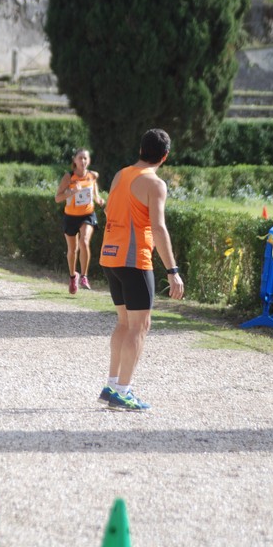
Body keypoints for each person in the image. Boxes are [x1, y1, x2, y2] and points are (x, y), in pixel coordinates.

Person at [98, 128, 184, 412]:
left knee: (124, 323)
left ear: (140, 150)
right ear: (165, 156)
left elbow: (111, 212)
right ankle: (122, 391)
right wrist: (172, 270)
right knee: (140, 326)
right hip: (134, 260)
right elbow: (158, 227)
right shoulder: (155, 184)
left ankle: (111, 386)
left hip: (110, 256)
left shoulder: (120, 175)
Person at [55, 148, 105, 294]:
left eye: (85, 158)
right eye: (80, 158)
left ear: (88, 161)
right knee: (72, 250)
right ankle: (72, 276)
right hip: (70, 216)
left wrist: (99, 200)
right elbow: (57, 198)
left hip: (87, 214)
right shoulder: (68, 177)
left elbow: (95, 195)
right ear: (75, 160)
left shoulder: (92, 176)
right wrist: (70, 192)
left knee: (84, 242)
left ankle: (84, 276)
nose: (83, 161)